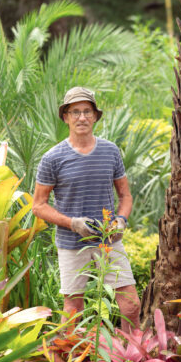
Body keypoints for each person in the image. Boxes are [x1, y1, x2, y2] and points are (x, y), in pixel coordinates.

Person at [33, 87, 140, 331]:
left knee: (131, 305)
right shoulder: (53, 158)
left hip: (108, 239)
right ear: (66, 117)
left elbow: (125, 195)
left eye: (87, 112)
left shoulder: (110, 151)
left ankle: (133, 360)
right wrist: (73, 223)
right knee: (73, 310)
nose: (81, 117)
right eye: (75, 112)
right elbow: (38, 206)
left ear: (95, 117)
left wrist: (121, 220)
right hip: (72, 243)